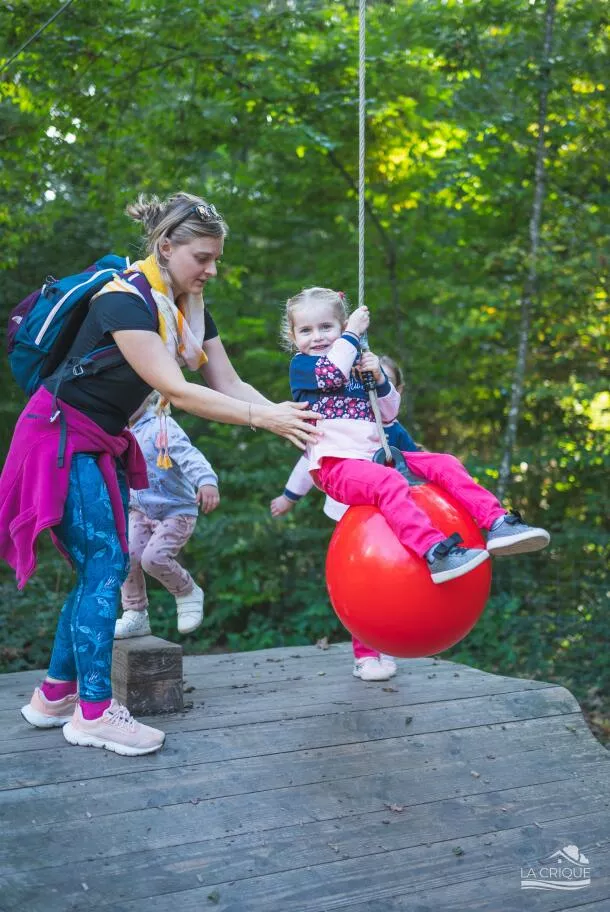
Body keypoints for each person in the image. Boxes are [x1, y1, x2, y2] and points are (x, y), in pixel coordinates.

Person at [0, 192, 320, 757]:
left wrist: (288, 416)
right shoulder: (123, 299)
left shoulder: (187, 310)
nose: (212, 270)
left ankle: (54, 697)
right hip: (59, 436)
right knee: (105, 565)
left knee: (99, 567)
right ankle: (94, 712)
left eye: (216, 258)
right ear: (165, 246)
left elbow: (227, 382)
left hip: (98, 442)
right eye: (202, 257)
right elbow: (173, 386)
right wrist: (261, 417)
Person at [282, 285, 550, 585]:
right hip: (338, 467)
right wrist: (352, 334)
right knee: (389, 482)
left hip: (376, 458)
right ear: (294, 338)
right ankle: (434, 552)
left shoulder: (355, 364)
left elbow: (388, 414)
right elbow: (332, 373)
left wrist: (381, 378)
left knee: (443, 463)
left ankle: (497, 522)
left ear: (339, 326)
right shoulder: (304, 366)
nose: (317, 336)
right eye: (306, 330)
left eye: (326, 327)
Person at [271, 355, 420, 682]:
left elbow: (418, 462)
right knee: (363, 585)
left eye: (381, 383)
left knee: (394, 580)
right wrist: (288, 497)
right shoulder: (341, 428)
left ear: (396, 390)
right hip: (356, 523)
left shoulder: (393, 431)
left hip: (394, 523)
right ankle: (365, 655)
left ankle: (392, 639)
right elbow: (310, 462)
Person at [115, 391, 219, 640]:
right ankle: (135, 613)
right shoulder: (117, 433)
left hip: (176, 509)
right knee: (125, 557)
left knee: (153, 558)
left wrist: (206, 481)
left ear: (148, 396)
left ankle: (187, 591)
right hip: (140, 509)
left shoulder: (162, 425)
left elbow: (188, 454)